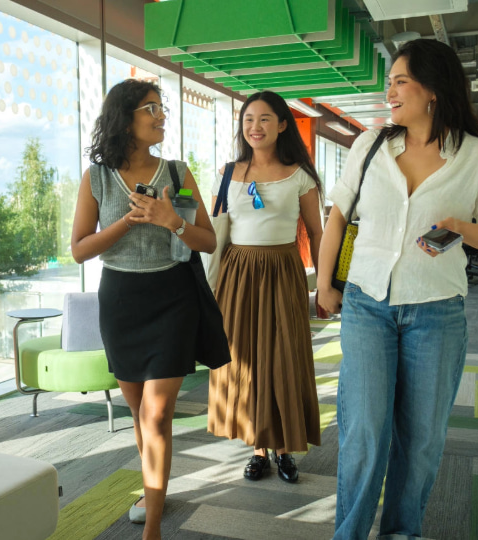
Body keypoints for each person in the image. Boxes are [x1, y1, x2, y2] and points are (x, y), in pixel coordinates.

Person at [317, 39, 478, 540]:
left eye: (399, 81)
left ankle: (400, 533)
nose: (390, 91)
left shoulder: (475, 156)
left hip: (436, 311)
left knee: (422, 438)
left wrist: (462, 227)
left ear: (432, 89)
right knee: (364, 431)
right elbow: (339, 214)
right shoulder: (369, 145)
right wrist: (325, 284)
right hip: (368, 304)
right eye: (388, 82)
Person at [70, 79, 216, 540]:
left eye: (161, 107)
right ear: (124, 117)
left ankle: (152, 527)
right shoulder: (95, 178)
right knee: (138, 414)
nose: (160, 115)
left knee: (156, 416)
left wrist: (171, 220)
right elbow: (79, 249)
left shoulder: (177, 175)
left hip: (172, 299)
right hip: (121, 301)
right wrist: (128, 222)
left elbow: (207, 240)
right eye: (150, 108)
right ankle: (153, 489)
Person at [207, 91, 323, 483]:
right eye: (248, 120)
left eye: (265, 119)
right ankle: (258, 447)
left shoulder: (300, 175)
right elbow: (211, 233)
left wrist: (325, 286)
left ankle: (285, 448)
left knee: (284, 358)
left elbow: (318, 234)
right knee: (247, 362)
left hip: (283, 271)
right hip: (238, 275)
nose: (255, 127)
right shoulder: (226, 173)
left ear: (283, 125)